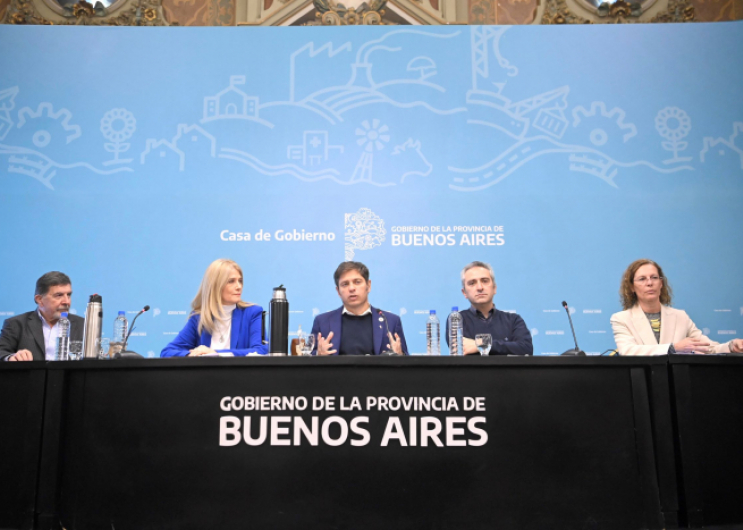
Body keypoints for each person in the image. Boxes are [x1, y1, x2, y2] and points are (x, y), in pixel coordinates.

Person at [610, 259, 743, 356]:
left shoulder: (680, 316)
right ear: (632, 287)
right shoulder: (621, 319)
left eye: (654, 277)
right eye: (642, 279)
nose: (649, 283)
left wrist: (731, 346)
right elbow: (628, 351)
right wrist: (673, 348)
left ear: (661, 283)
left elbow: (708, 347)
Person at [160, 259, 267, 357]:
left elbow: (261, 350)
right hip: (205, 377)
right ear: (216, 285)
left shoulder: (252, 313)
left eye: (240, 280)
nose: (239, 286)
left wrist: (215, 353)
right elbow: (167, 352)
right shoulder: (199, 317)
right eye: (231, 281)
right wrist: (191, 355)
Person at [311, 261, 408, 356]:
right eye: (345, 284)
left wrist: (400, 356)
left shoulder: (390, 321)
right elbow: (308, 363)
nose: (352, 288)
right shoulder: (323, 322)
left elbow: (407, 364)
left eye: (357, 282)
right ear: (338, 291)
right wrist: (318, 356)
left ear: (368, 285)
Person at [446, 261, 533, 356]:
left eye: (484, 281)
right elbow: (460, 349)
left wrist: (480, 345)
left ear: (494, 288)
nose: (479, 287)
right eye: (472, 283)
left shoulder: (513, 320)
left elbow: (526, 348)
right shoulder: (457, 319)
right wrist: (504, 347)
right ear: (464, 293)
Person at [0, 271, 85, 362]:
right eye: (59, 295)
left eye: (68, 295)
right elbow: (2, 352)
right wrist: (11, 357)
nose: (66, 301)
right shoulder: (16, 324)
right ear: (39, 299)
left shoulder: (82, 325)